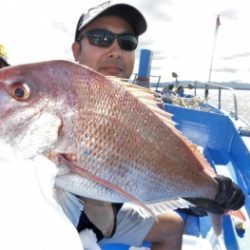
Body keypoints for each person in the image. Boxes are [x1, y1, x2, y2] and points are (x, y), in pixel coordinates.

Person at [70, 1, 245, 249]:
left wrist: (196, 191)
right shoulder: (60, 101)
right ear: (76, 50)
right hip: (61, 221)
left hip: (104, 210)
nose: (115, 50)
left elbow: (142, 170)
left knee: (173, 226)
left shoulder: (139, 111)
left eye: (127, 42)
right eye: (101, 38)